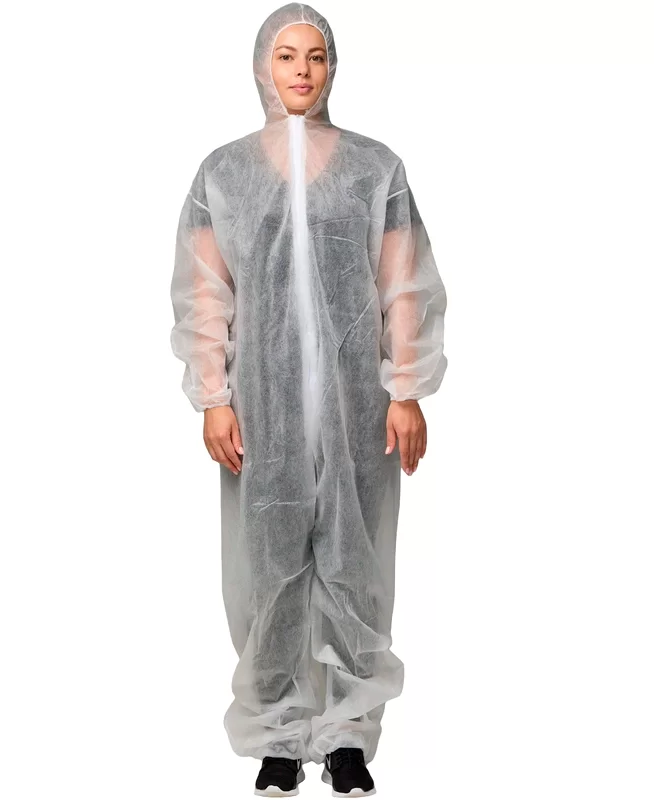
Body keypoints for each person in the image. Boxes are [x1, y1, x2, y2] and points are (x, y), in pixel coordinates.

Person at [170, 4, 448, 796]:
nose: (301, 70)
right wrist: (214, 396)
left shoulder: (374, 168)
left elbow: (404, 285)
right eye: (286, 55)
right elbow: (204, 291)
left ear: (332, 67)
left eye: (315, 56)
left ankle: (349, 736)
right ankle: (280, 738)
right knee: (269, 570)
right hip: (263, 411)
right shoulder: (223, 173)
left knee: (356, 567)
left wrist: (405, 389)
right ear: (263, 65)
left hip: (359, 406)